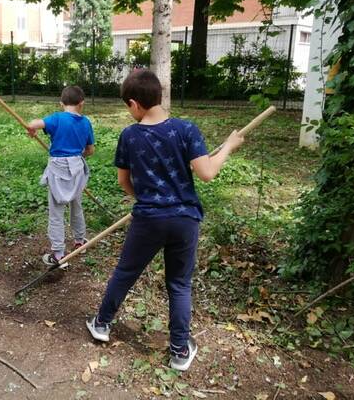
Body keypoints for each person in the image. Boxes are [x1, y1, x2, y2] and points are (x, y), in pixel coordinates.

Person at [85, 69, 244, 371]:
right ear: (158, 95)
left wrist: (145, 199)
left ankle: (102, 324)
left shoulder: (130, 135)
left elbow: (124, 181)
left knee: (126, 272)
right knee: (180, 284)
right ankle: (179, 351)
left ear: (133, 103)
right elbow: (207, 173)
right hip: (185, 220)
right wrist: (228, 147)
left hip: (148, 219)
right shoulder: (186, 129)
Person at [27, 86, 95, 267]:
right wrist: (76, 154)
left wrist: (31, 130)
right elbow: (90, 150)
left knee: (56, 212)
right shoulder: (86, 122)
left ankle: (58, 254)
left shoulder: (57, 118)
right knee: (76, 206)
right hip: (77, 167)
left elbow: (34, 124)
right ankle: (80, 241)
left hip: (58, 168)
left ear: (61, 103)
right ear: (82, 104)